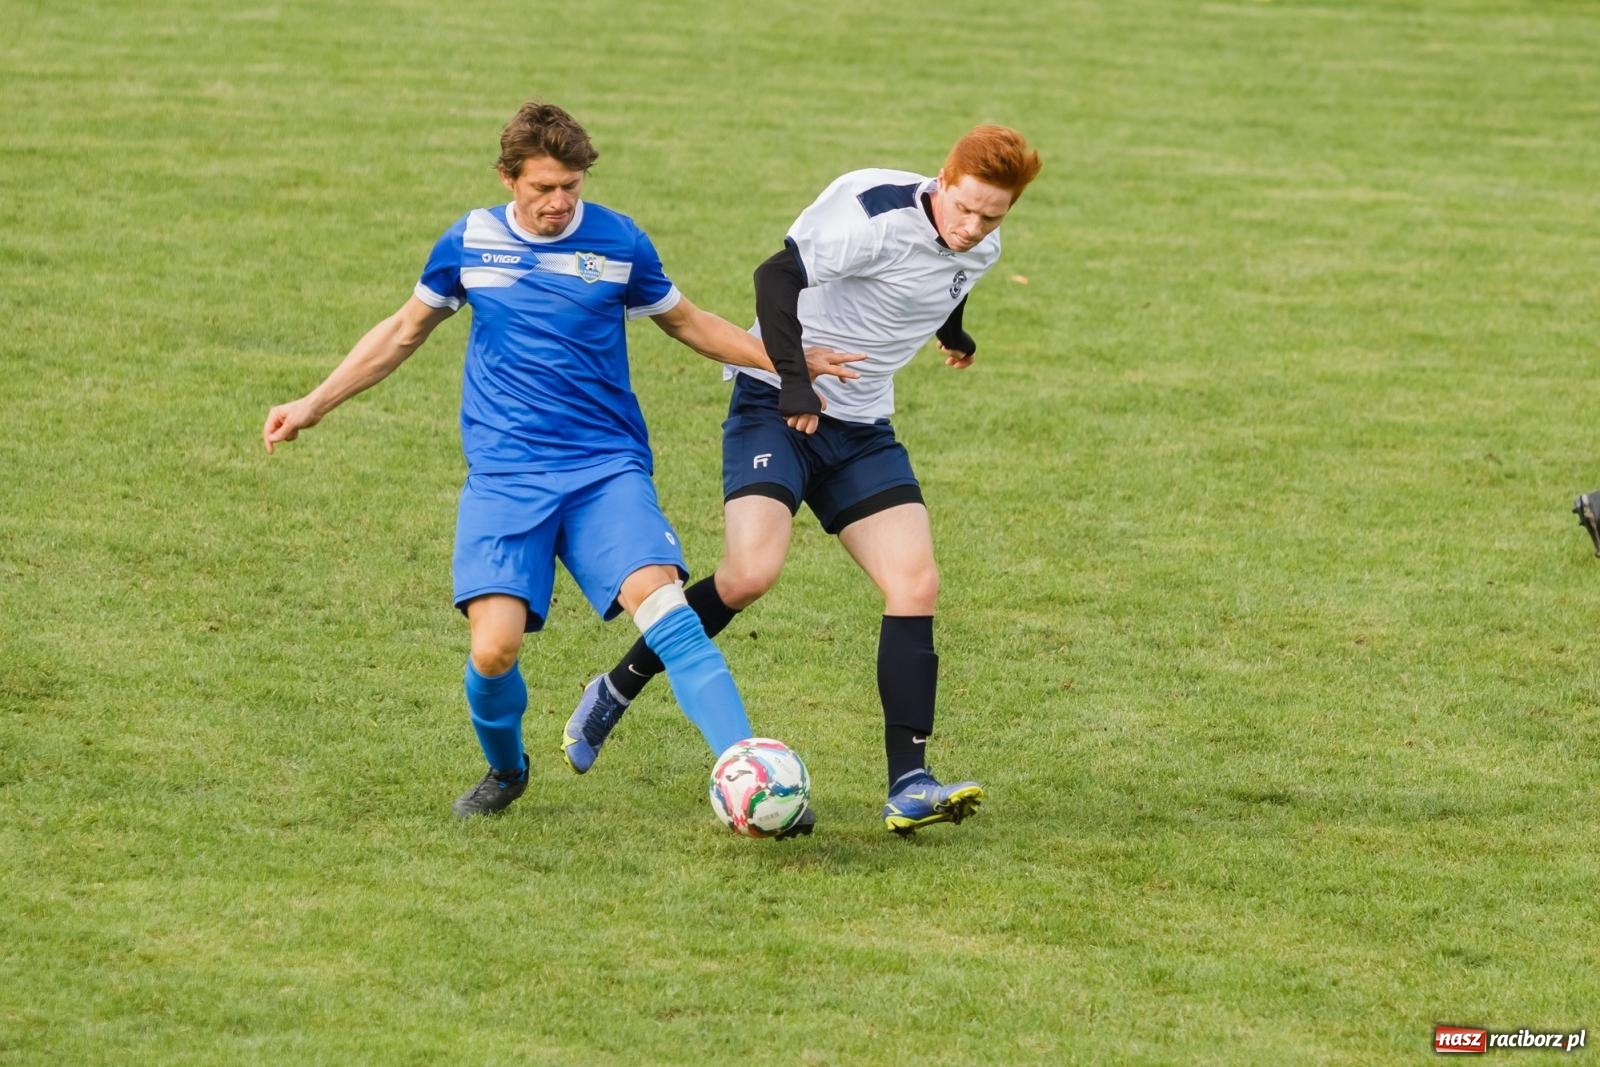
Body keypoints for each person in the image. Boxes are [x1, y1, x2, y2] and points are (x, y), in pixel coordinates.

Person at [262, 101, 857, 828]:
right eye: (543, 187)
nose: (558, 202)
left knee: (668, 609)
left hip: (605, 469)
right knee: (493, 649)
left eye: (570, 186)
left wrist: (788, 363)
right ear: (508, 178)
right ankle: (507, 768)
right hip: (507, 479)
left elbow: (692, 323)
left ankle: (749, 767)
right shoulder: (470, 241)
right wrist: (313, 403)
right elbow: (401, 332)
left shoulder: (618, 241)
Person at [563, 124, 1042, 835]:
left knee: (915, 582)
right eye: (964, 208)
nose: (972, 227)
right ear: (943, 179)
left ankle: (908, 781)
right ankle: (617, 685)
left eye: (991, 216)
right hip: (775, 404)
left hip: (863, 430)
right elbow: (774, 278)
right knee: (750, 573)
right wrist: (792, 383)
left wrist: (953, 332)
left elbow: (946, 281)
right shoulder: (869, 211)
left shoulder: (984, 245)